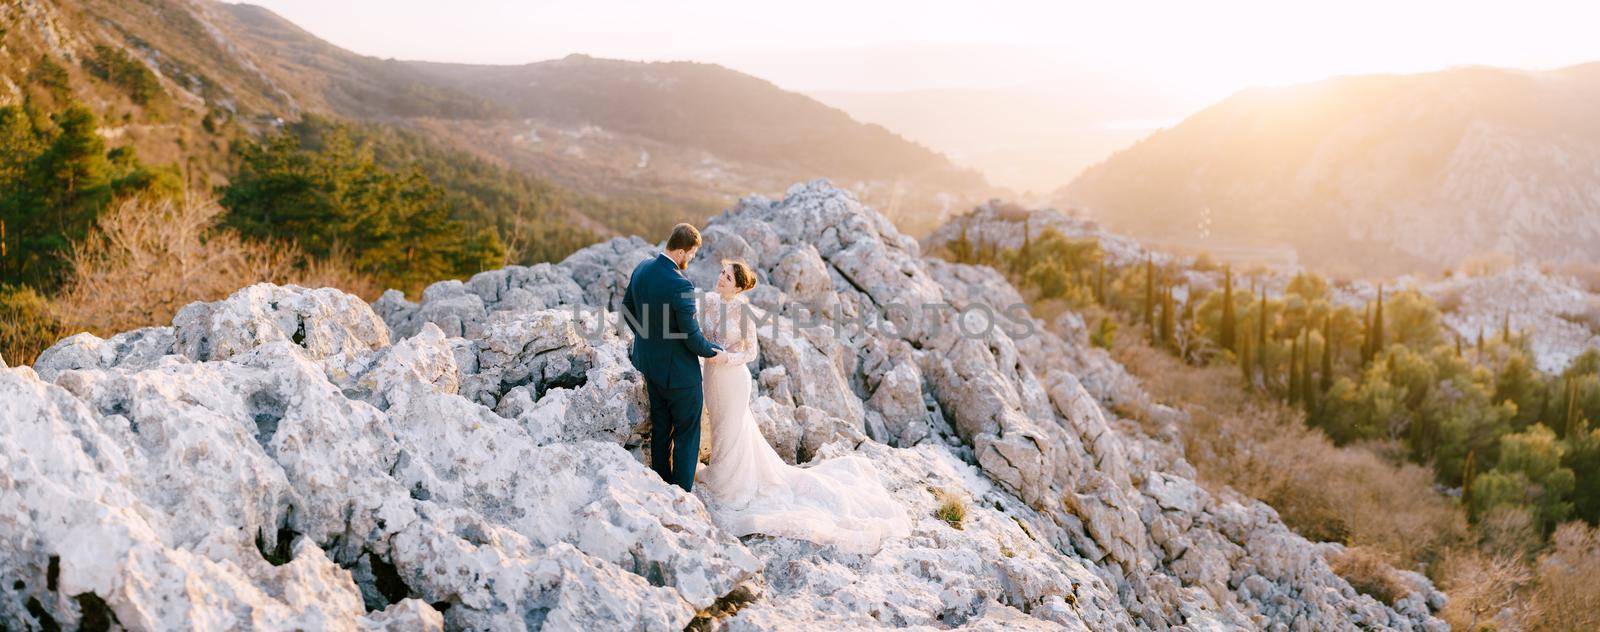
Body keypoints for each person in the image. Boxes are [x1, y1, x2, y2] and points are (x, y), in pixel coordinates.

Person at [694, 260, 911, 553]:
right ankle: (723, 472)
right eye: (721, 273)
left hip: (732, 378)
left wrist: (725, 359)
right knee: (721, 427)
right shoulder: (708, 301)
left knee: (732, 428)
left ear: (739, 286)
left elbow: (751, 352)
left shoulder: (743, 311)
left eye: (728, 277)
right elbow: (698, 331)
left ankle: (730, 483)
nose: (721, 278)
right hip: (711, 377)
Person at [620, 223, 724, 491]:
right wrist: (714, 351)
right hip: (679, 374)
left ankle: (660, 484)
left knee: (661, 429)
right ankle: (681, 492)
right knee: (687, 433)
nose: (690, 260)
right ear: (681, 251)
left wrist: (647, 338)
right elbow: (692, 338)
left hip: (648, 365)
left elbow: (627, 308)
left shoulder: (642, 267)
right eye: (691, 255)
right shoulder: (680, 284)